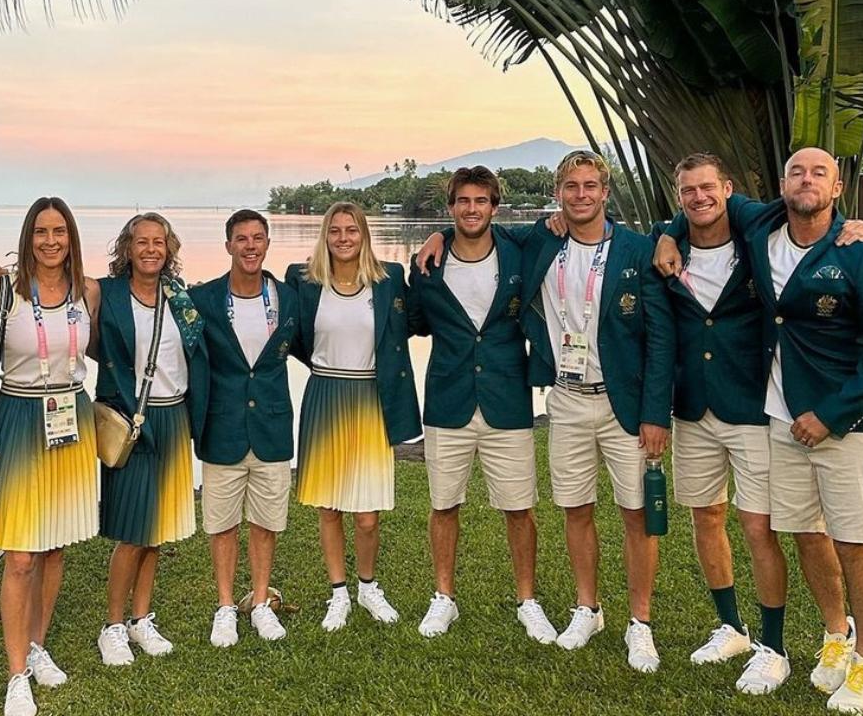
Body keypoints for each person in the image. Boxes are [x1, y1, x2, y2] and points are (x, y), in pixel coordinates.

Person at [655, 147, 863, 715]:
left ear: (839, 186)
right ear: (780, 185)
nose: (807, 180)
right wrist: (667, 233)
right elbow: (697, 207)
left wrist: (831, 414)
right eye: (797, 171)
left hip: (848, 424)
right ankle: (835, 637)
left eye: (820, 172)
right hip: (783, 420)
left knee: (854, 542)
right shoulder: (763, 231)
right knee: (806, 535)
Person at [418, 153, 674, 669]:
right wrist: (439, 236)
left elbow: (662, 337)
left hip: (624, 402)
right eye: (571, 187)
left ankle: (639, 622)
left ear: (606, 192)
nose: (580, 196)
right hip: (565, 398)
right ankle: (587, 608)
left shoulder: (638, 249)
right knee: (575, 509)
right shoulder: (541, 242)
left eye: (590, 187)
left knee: (636, 514)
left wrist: (655, 412)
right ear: (558, 193)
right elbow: (480, 234)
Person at [406, 166, 556, 644]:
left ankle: (528, 601)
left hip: (507, 399)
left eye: (481, 201)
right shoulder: (427, 265)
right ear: (451, 207)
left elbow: (570, 221)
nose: (472, 209)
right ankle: (444, 597)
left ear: (494, 206)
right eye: (463, 201)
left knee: (520, 507)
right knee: (444, 504)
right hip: (448, 399)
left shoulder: (518, 250)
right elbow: (413, 321)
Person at [0, 197, 101, 716]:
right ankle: (15, 675)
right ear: (27, 236)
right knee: (22, 553)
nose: (50, 241)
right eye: (41, 232)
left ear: (71, 238)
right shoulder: (1, 290)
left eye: (60, 232)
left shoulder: (88, 291)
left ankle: (37, 646)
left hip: (72, 416)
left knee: (54, 547)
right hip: (19, 415)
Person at [285, 202, 421, 632]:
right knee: (329, 507)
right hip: (325, 392)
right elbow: (292, 336)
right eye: (335, 231)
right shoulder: (305, 282)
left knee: (367, 512)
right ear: (325, 236)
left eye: (352, 231)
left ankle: (368, 586)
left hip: (370, 397)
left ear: (364, 235)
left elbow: (413, 323)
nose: (344, 238)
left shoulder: (388, 280)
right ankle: (338, 592)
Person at [94, 213, 208, 665]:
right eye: (141, 242)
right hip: (131, 421)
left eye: (159, 242)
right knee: (133, 533)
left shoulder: (180, 297)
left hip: (174, 415)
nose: (150, 250)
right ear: (127, 248)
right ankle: (113, 626)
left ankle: (141, 620)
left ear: (170, 248)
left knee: (156, 531)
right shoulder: (106, 293)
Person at [189, 209, 299, 646]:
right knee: (221, 522)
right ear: (228, 245)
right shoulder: (204, 300)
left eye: (258, 238)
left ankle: (258, 601)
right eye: (241, 239)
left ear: (268, 243)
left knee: (266, 519)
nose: (250, 246)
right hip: (223, 427)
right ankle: (224, 607)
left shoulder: (288, 298)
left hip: (271, 425)